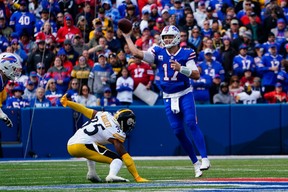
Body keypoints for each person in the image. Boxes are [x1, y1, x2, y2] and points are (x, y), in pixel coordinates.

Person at [121, 25, 210, 177]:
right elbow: (136, 52)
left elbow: (196, 75)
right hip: (168, 96)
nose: (167, 39)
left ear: (176, 37)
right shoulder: (158, 51)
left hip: (184, 93)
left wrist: (181, 68)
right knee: (178, 131)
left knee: (190, 123)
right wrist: (127, 36)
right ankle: (195, 163)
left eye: (170, 36)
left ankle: (205, 158)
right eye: (165, 37)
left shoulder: (187, 52)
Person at [60, 94, 148, 183]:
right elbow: (125, 156)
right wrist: (137, 177)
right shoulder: (116, 132)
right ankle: (112, 175)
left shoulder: (104, 115)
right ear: (125, 123)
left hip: (70, 144)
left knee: (94, 144)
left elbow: (84, 109)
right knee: (116, 160)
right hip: (82, 145)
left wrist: (68, 103)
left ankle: (92, 173)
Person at [0, 52, 22, 127]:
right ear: (5, 67)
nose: (15, 71)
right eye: (13, 68)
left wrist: (2, 114)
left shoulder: (3, 80)